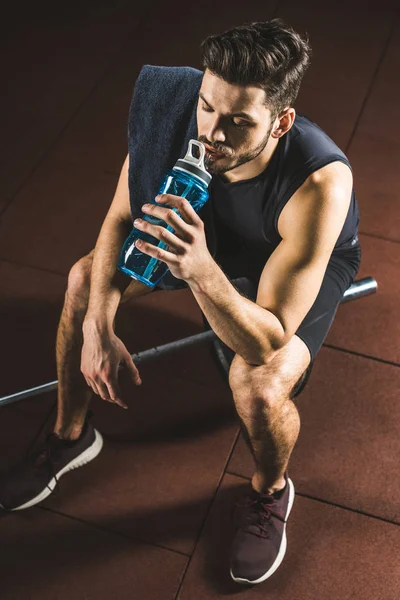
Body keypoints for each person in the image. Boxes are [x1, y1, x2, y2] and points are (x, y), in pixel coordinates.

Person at [0, 19, 361, 585]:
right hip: (205, 233)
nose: (213, 133)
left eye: (239, 121)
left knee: (257, 384)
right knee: (80, 281)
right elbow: (122, 218)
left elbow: (266, 341)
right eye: (208, 108)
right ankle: (70, 437)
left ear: (281, 121)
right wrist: (98, 323)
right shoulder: (175, 113)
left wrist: (201, 273)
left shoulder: (319, 183)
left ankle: (270, 493)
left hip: (285, 258)